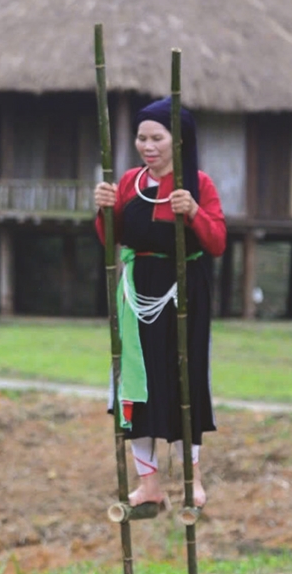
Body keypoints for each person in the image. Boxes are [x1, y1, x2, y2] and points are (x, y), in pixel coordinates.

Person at [93, 101, 226, 509]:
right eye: (141, 138)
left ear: (178, 140)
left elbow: (217, 242)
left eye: (157, 138)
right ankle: (148, 484)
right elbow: (110, 238)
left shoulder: (198, 184)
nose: (147, 146)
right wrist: (103, 209)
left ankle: (192, 480)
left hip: (184, 293)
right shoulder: (130, 182)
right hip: (137, 293)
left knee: (184, 380)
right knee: (137, 382)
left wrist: (194, 214)